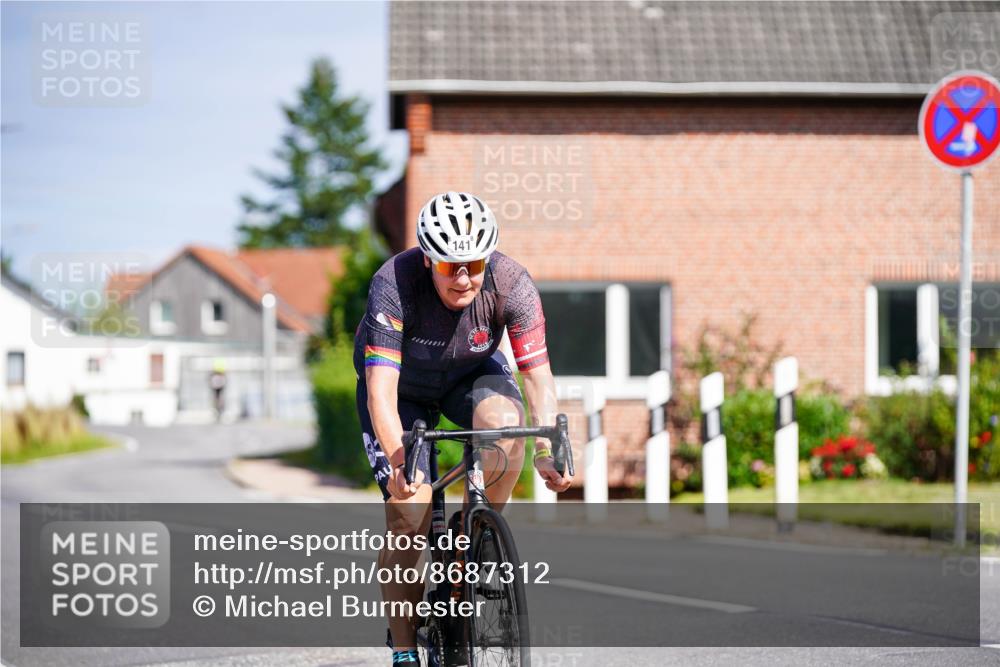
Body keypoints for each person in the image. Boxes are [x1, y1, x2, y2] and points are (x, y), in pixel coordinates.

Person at [353, 191, 573, 665]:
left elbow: (537, 376)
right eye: (449, 266)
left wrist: (544, 449)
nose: (463, 278)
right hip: (402, 389)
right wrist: (399, 463)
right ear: (428, 259)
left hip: (468, 374)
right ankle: (406, 649)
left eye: (473, 264)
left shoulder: (512, 283)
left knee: (507, 428)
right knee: (410, 511)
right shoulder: (394, 283)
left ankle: (474, 529)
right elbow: (381, 393)